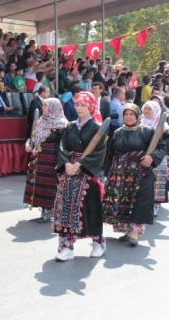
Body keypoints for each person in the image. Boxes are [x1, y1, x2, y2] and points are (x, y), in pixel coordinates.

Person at [103, 103, 169, 246]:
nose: (128, 117)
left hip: (141, 172)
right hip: (119, 173)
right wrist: (108, 174)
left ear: (137, 116)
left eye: (131, 114)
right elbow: (111, 154)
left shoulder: (147, 131)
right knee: (123, 201)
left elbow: (163, 146)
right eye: (126, 114)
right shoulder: (118, 132)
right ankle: (127, 230)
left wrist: (152, 158)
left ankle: (135, 232)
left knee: (139, 202)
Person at [52, 92, 107, 261]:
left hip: (87, 173)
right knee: (65, 209)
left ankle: (98, 242)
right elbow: (62, 147)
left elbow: (99, 152)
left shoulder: (98, 128)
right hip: (69, 172)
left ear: (90, 106)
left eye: (83, 105)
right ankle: (67, 246)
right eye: (77, 105)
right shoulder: (69, 127)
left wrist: (81, 164)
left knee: (89, 208)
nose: (79, 108)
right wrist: (66, 163)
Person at [24, 98, 68, 223]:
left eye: (46, 106)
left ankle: (50, 211)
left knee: (50, 185)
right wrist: (29, 144)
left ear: (53, 107)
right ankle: (44, 208)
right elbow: (33, 136)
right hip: (39, 157)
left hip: (52, 158)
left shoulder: (62, 124)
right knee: (40, 184)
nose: (43, 108)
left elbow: (64, 145)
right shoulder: (41, 121)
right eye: (43, 105)